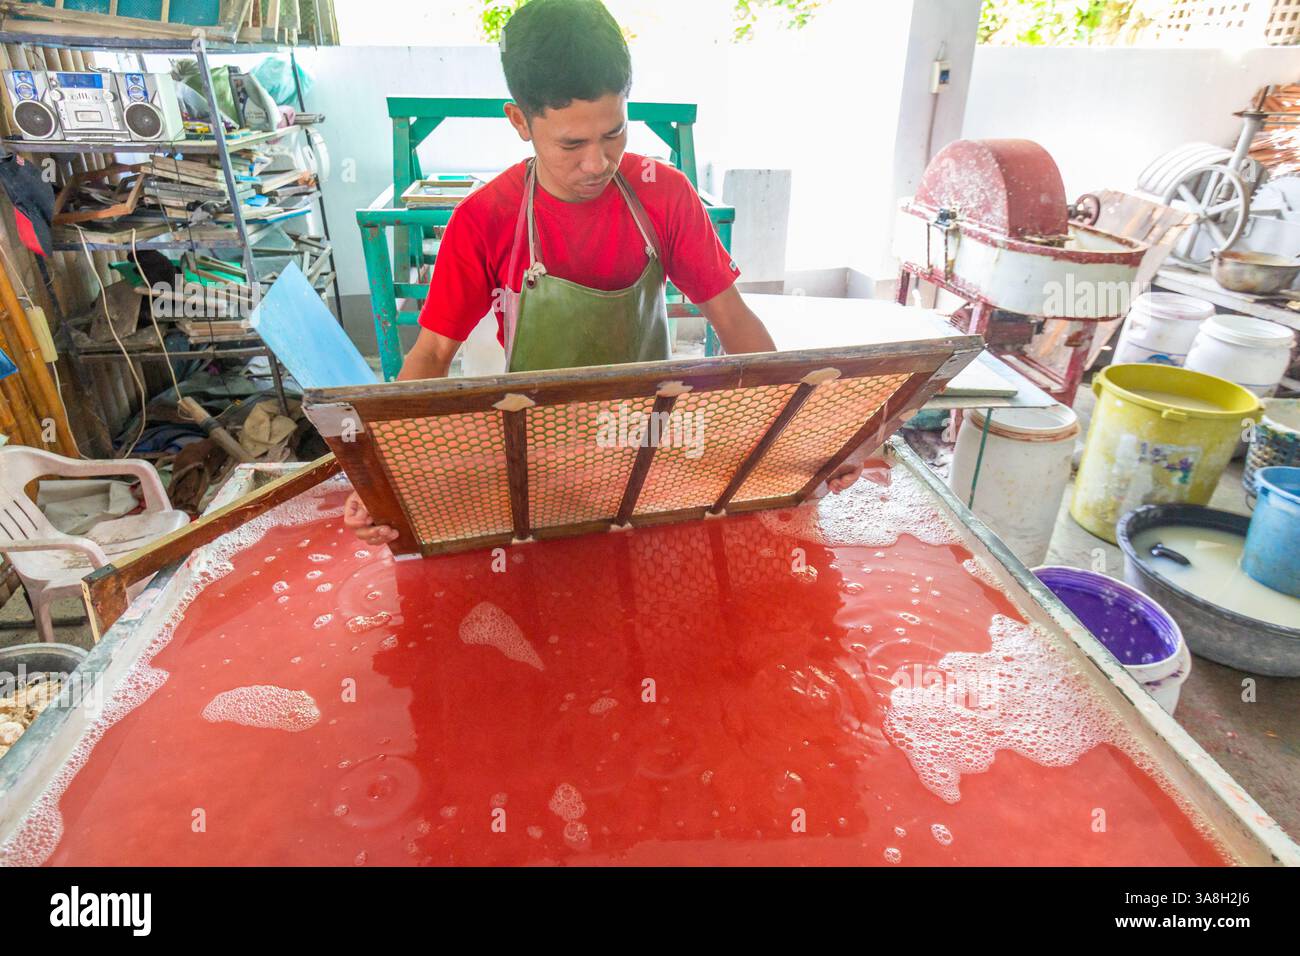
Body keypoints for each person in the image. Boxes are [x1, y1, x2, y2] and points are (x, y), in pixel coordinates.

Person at [346, 0, 865, 546]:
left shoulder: (663, 194)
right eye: (571, 144)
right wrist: (381, 479)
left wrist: (802, 435)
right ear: (520, 121)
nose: (597, 163)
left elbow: (734, 321)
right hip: (538, 458)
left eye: (613, 134)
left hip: (649, 445)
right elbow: (430, 357)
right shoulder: (484, 219)